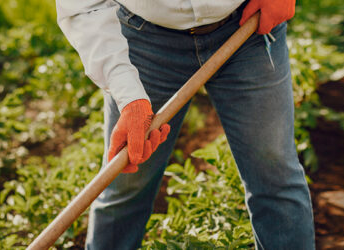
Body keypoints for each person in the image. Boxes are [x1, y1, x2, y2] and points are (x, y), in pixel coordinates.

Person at [55, 0, 315, 249]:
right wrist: (129, 95)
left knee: (275, 178)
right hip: (145, 40)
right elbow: (82, 5)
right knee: (126, 181)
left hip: (247, 26)